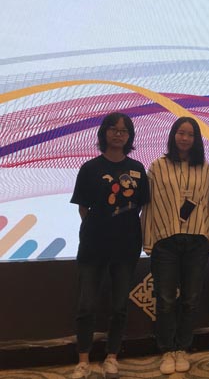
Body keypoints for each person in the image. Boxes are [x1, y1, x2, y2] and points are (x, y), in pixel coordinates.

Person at [70, 112, 149, 379]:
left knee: (119, 307)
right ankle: (83, 361)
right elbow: (83, 208)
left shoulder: (138, 168)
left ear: (130, 136)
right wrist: (100, 228)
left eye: (124, 130)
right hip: (93, 247)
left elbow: (140, 206)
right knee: (86, 306)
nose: (118, 134)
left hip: (126, 248)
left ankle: (112, 357)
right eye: (113, 129)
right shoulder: (89, 168)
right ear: (104, 132)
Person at [142, 117, 209, 375]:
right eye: (181, 133)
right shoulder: (157, 166)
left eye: (190, 134)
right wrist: (148, 240)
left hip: (196, 240)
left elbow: (208, 204)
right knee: (166, 300)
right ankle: (167, 349)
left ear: (196, 139)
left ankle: (183, 347)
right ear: (173, 136)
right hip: (166, 241)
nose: (185, 138)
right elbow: (148, 205)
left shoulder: (204, 167)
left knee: (191, 299)